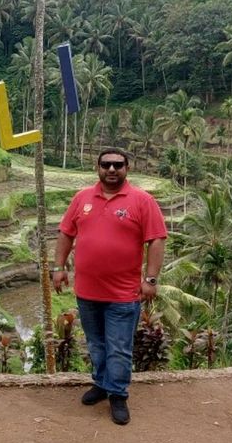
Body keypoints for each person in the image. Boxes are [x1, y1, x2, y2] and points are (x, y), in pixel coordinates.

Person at [52, 147, 167, 425]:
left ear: (127, 168)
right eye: (106, 165)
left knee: (118, 346)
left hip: (123, 294)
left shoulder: (142, 200)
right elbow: (66, 233)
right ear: (98, 168)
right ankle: (102, 384)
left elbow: (157, 240)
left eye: (118, 165)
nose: (112, 170)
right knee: (96, 344)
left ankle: (118, 395)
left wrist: (150, 279)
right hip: (87, 292)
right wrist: (58, 267)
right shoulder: (82, 199)